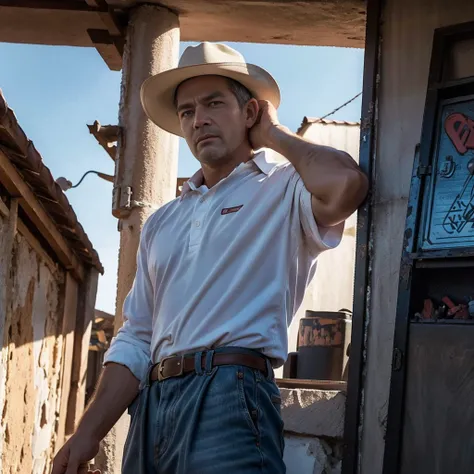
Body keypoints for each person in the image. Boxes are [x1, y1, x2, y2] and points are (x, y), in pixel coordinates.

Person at [52, 42, 368, 474]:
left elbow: (348, 184)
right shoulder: (163, 222)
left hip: (231, 392)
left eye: (214, 103)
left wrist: (273, 135)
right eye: (186, 111)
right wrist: (85, 435)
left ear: (251, 113)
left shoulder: (284, 188)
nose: (198, 119)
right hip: (153, 404)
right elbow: (136, 338)